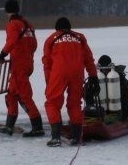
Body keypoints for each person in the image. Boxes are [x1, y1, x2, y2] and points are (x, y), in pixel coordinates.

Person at [42, 17, 99, 147]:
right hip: (77, 72)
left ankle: (56, 137)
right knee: (74, 104)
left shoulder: (52, 38)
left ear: (57, 28)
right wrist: (93, 75)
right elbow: (88, 58)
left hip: (59, 72)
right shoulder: (80, 38)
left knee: (52, 103)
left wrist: (48, 81)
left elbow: (47, 63)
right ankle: (77, 138)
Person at [0, 0, 45, 137]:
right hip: (28, 63)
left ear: (7, 10)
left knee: (24, 96)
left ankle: (38, 127)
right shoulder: (28, 24)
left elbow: (11, 41)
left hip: (19, 66)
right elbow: (34, 44)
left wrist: (2, 55)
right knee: (11, 94)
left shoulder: (13, 24)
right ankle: (9, 126)